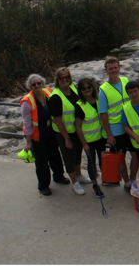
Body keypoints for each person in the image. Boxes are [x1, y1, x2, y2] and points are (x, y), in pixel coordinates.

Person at [20, 74, 69, 196]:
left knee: (55, 156)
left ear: (42, 83)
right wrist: (29, 142)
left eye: (38, 83)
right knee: (41, 162)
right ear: (30, 86)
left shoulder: (48, 92)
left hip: (51, 132)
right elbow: (26, 123)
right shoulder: (27, 101)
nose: (37, 86)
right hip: (38, 136)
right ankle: (43, 186)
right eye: (34, 84)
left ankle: (59, 176)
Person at [48, 67, 92, 195]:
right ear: (57, 80)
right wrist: (66, 137)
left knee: (78, 153)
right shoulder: (55, 96)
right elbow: (57, 119)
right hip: (64, 133)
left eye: (67, 77)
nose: (65, 80)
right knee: (68, 156)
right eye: (62, 78)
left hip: (77, 130)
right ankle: (74, 182)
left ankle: (78, 175)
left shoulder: (73, 88)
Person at [98, 56, 133, 191]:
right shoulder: (103, 90)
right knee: (121, 157)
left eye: (116, 67)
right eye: (110, 68)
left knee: (134, 154)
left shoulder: (125, 81)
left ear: (119, 67)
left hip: (130, 126)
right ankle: (127, 182)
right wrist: (109, 134)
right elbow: (103, 114)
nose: (114, 70)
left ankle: (132, 178)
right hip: (116, 130)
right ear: (106, 70)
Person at [75, 78, 106, 198]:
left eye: (89, 87)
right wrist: (84, 144)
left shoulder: (99, 101)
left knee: (103, 160)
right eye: (84, 88)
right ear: (80, 91)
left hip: (101, 138)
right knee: (91, 162)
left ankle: (105, 178)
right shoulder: (80, 106)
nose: (87, 90)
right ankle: (95, 185)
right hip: (89, 140)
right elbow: (78, 127)